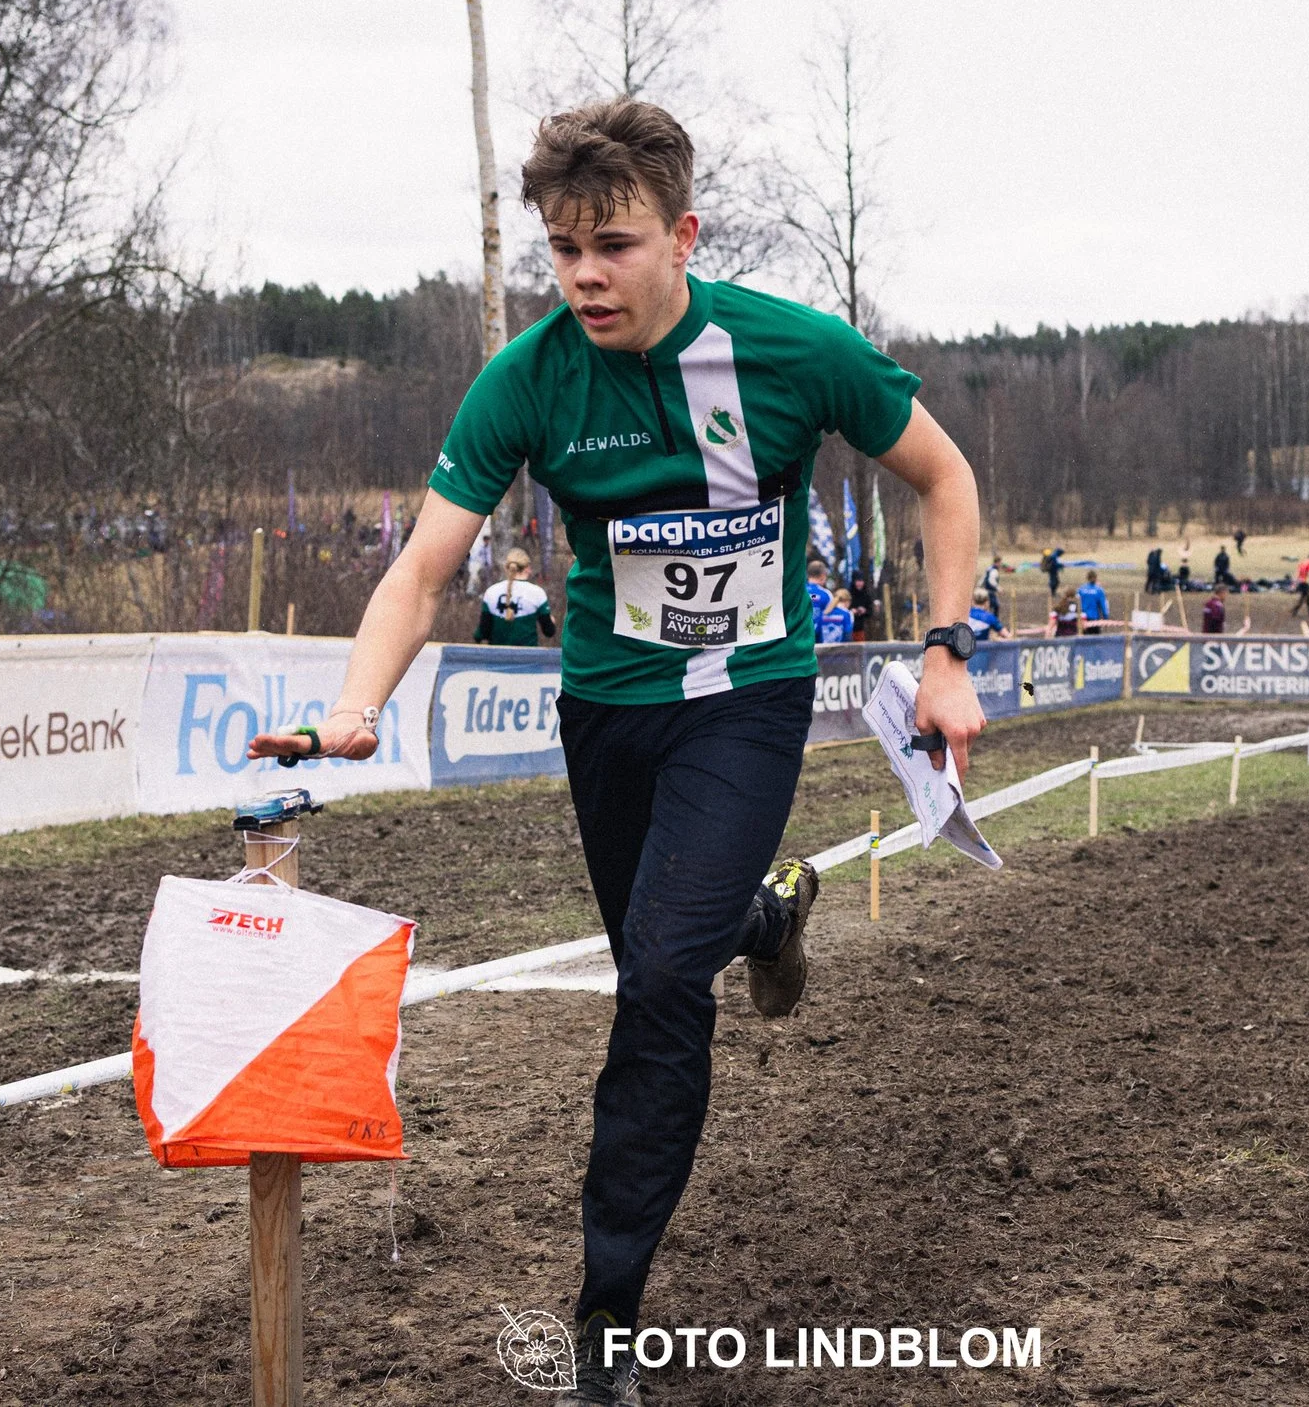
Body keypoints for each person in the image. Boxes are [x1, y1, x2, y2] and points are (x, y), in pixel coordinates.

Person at [247, 98, 989, 1407]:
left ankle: (607, 1316)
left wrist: (945, 652)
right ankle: (758, 917)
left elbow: (945, 477)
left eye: (615, 244)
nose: (586, 274)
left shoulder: (792, 351)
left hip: (748, 699)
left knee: (654, 985)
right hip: (607, 707)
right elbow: (425, 567)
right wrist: (360, 701)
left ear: (681, 234)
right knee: (670, 938)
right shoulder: (528, 378)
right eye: (564, 247)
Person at [474, 548, 557, 646]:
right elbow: (549, 631)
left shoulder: (491, 592)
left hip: (497, 657)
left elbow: (482, 633)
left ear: (507, 568)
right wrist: (551, 621)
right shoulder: (537, 593)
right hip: (528, 657)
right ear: (528, 569)